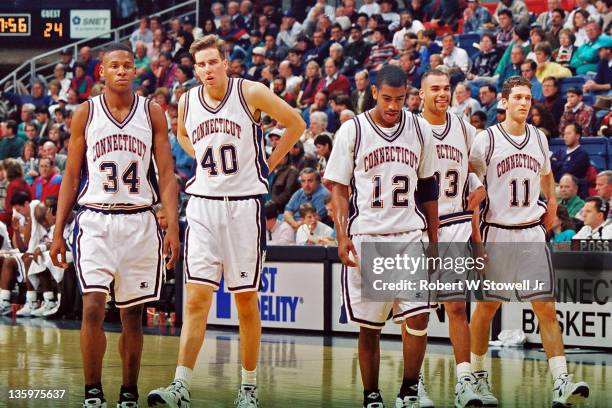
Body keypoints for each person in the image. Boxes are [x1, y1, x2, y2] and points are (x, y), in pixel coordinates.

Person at [147, 34, 305, 408]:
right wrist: (200, 155)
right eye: (200, 65)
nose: (206, 70)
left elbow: (296, 123)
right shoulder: (187, 100)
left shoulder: (251, 92)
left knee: (246, 301)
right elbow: (183, 134)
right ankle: (181, 384)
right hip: (203, 205)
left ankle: (248, 386)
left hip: (242, 207)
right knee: (196, 299)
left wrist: (267, 164)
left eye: (212, 62)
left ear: (225, 63)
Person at [49, 43, 181, 408]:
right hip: (95, 220)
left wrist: (171, 224)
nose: (122, 71)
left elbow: (167, 172)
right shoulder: (85, 113)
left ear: (134, 71)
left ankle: (128, 392)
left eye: (127, 65)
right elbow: (72, 174)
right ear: (101, 73)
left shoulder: (152, 112)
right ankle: (93, 392)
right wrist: (58, 230)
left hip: (139, 220)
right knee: (92, 305)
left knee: (132, 316)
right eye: (114, 66)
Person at [469, 76, 590, 407]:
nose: (524, 103)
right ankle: (477, 378)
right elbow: (471, 181)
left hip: (532, 233)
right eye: (518, 97)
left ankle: (561, 382)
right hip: (496, 232)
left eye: (527, 98)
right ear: (504, 102)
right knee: (486, 308)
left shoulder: (538, 137)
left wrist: (551, 203)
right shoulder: (487, 140)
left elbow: (547, 175)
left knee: (546, 308)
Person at [324, 65, 439, 407]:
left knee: (418, 316)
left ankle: (409, 390)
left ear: (409, 95)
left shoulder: (419, 129)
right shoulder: (353, 130)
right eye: (387, 98)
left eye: (400, 99)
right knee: (369, 327)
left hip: (409, 234)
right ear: (374, 92)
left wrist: (435, 239)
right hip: (368, 236)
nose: (393, 106)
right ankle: (371, 394)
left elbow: (429, 187)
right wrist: (341, 236)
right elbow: (339, 188)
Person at [419, 69, 486, 408]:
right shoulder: (412, 129)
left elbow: (475, 170)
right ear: (421, 94)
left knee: (457, 306)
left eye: (446, 88)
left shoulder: (464, 128)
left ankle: (464, 382)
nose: (442, 94)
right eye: (435, 89)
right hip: (419, 226)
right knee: (418, 311)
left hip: (457, 222)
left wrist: (480, 187)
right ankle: (413, 383)